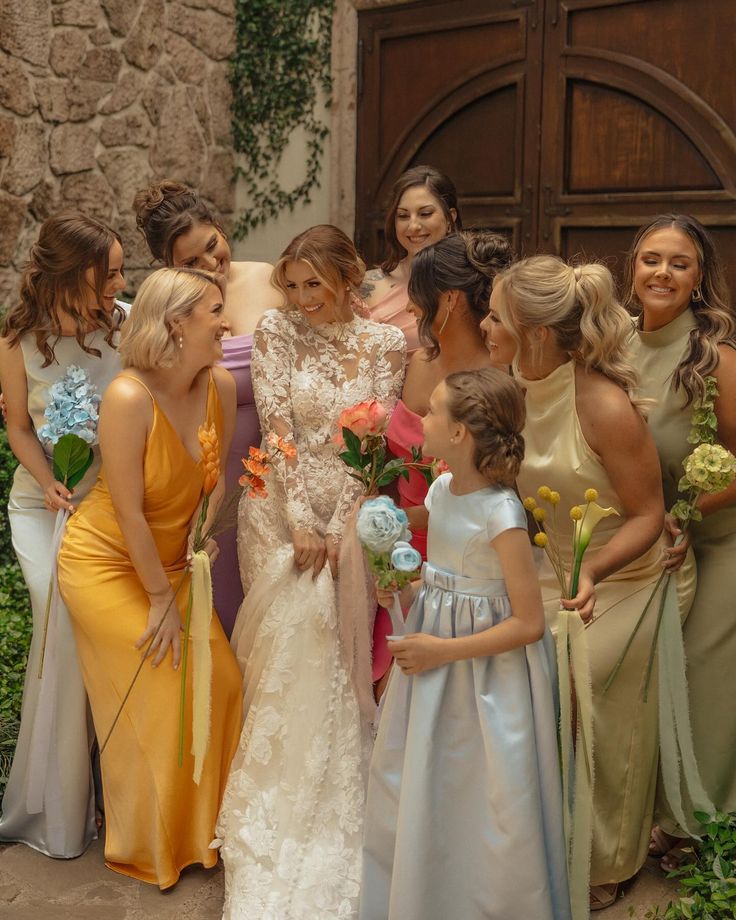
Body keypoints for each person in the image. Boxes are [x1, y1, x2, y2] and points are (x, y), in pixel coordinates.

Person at [216, 226, 405, 919]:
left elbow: (376, 441)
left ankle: (345, 801)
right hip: (280, 512)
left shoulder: (386, 345)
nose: (302, 299)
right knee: (289, 656)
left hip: (352, 510)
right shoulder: (275, 332)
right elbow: (276, 431)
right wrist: (300, 522)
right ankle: (276, 795)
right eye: (291, 286)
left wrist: (340, 526)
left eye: (314, 286)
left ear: (347, 279)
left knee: (341, 649)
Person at [481, 256, 678, 910]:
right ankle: (523, 833)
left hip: (627, 574)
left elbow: (649, 514)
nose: (483, 325)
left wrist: (592, 569)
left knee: (579, 673)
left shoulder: (603, 404)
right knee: (502, 667)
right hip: (549, 571)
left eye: (494, 315)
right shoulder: (507, 387)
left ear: (534, 331)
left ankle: (610, 855)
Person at [360, 368, 571, 920]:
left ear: (459, 434)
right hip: (436, 651)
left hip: (485, 672)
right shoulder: (441, 489)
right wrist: (404, 580)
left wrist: (440, 651)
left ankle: (494, 900)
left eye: (431, 412)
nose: (421, 420)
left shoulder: (502, 514)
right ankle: (432, 892)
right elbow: (447, 573)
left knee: (489, 790)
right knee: (430, 778)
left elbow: (527, 622)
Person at [57, 268, 243, 889]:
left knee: (223, 682)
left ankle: (208, 834)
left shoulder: (218, 383)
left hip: (175, 568)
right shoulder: (129, 396)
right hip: (107, 565)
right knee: (164, 688)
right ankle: (152, 843)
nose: (227, 323)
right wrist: (162, 599)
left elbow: (212, 487)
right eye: (215, 312)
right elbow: (130, 511)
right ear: (174, 324)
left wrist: (192, 558)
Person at [0, 213, 126, 858]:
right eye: (113, 271)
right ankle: (57, 801)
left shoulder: (124, 325)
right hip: (41, 503)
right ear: (78, 272)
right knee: (59, 619)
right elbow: (19, 425)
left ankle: (112, 795)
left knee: (101, 636)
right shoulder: (18, 338)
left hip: (108, 505)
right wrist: (47, 479)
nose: (121, 282)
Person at [626, 214, 736, 870]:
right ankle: (650, 813)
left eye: (679, 263)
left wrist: (688, 515)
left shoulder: (716, 358)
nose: (662, 272)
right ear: (632, 269)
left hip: (717, 543)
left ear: (699, 280)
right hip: (638, 542)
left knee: (700, 675)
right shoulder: (610, 344)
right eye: (651, 259)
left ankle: (701, 824)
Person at [134, 180, 282, 636]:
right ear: (169, 267)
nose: (210, 265)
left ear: (219, 227)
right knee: (218, 598)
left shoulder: (271, 279)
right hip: (210, 471)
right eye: (190, 263)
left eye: (212, 246)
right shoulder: (171, 307)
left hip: (275, 462)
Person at [372, 231, 513, 695]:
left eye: (418, 294)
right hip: (397, 554)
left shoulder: (504, 380)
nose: (409, 306)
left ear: (448, 300)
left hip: (467, 573)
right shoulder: (417, 362)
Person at [361, 165, 461, 355]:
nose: (413, 225)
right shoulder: (367, 284)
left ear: (450, 218)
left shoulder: (469, 284)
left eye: (425, 214)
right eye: (403, 216)